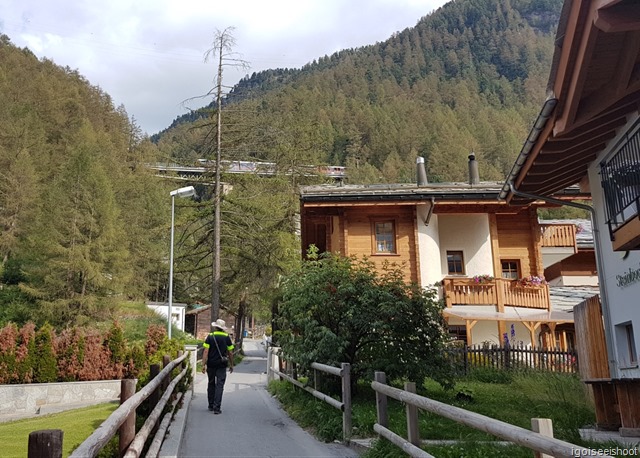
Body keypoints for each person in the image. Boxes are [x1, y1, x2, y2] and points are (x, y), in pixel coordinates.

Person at [201, 319, 234, 414]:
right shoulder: (226, 337)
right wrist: (231, 364)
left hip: (211, 364)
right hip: (222, 365)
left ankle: (210, 405)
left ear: (215, 327)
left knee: (211, 383)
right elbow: (230, 352)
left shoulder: (210, 336)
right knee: (220, 385)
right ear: (222, 328)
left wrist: (203, 364)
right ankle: (217, 407)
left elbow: (206, 351)